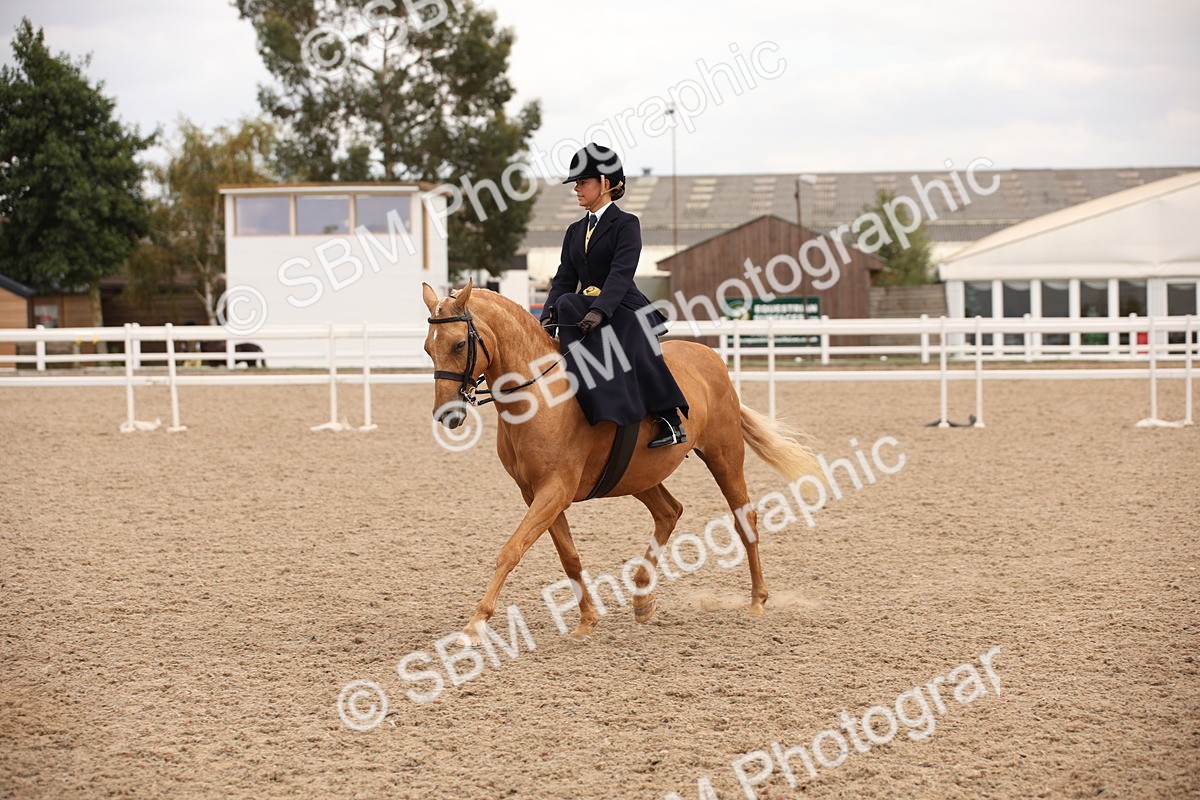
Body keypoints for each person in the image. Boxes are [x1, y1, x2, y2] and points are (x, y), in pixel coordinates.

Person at [540, 143, 688, 447]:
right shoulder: (573, 231)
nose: (577, 190)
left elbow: (621, 273)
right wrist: (546, 318)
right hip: (585, 308)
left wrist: (600, 310)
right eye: (576, 184)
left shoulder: (627, 224)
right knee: (565, 303)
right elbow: (565, 278)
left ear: (605, 183)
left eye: (582, 182)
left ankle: (670, 420)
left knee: (576, 307)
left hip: (621, 305)